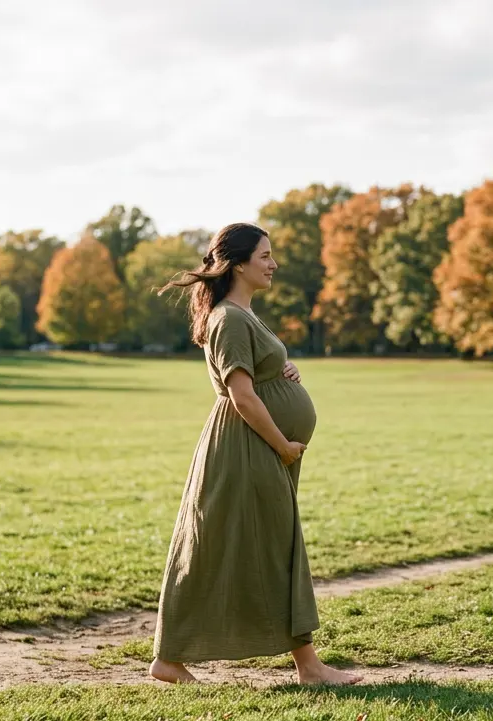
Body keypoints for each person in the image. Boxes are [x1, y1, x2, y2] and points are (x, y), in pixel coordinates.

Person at [148, 222, 362, 686]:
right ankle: (173, 658)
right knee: (232, 546)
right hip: (247, 446)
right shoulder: (229, 318)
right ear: (239, 263)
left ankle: (307, 665)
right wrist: (283, 444)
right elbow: (241, 396)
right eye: (265, 255)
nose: (273, 264)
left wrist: (282, 369)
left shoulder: (243, 316)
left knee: (257, 544)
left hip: (255, 446)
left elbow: (254, 376)